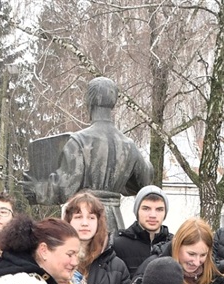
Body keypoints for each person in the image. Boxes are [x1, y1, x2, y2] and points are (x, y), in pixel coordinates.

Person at [25, 77, 154, 231]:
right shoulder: (129, 145)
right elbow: (144, 181)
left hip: (85, 221)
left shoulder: (80, 141)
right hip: (115, 222)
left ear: (89, 101)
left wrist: (36, 189)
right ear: (113, 102)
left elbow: (65, 188)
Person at [112, 185, 171, 279]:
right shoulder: (118, 245)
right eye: (146, 208)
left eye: (159, 209)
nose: (153, 215)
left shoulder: (173, 244)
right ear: (137, 211)